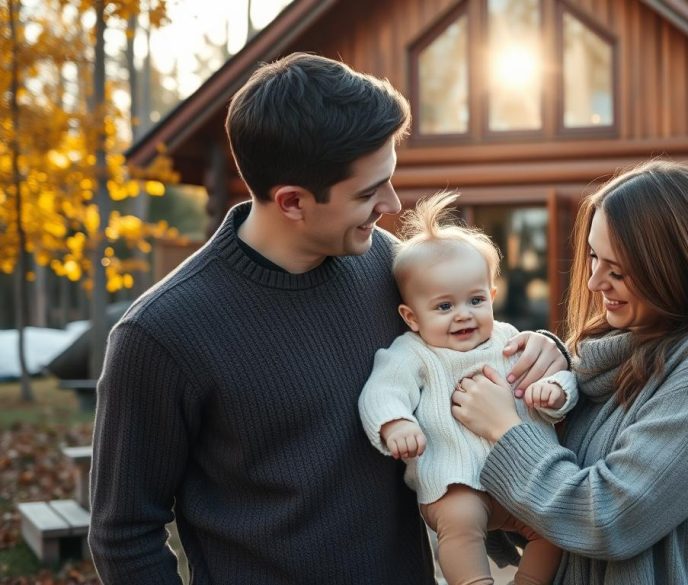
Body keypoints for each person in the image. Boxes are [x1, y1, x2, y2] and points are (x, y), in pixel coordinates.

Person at [88, 52, 568, 584]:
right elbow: (125, 535)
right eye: (368, 192)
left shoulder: (389, 268)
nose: (391, 203)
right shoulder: (161, 335)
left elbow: (467, 347)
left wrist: (545, 349)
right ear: (292, 201)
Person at [451, 160, 688, 584]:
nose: (593, 283)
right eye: (593, 256)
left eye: (619, 270)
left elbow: (611, 516)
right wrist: (549, 372)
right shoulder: (620, 346)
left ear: (675, 267)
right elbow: (548, 508)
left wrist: (508, 428)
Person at [358, 192, 576, 585]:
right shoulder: (413, 353)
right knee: (459, 524)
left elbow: (557, 376)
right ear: (411, 317)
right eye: (443, 307)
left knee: (555, 524)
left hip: (519, 478)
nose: (463, 315)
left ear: (492, 297)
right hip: (453, 479)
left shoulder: (510, 341)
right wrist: (395, 424)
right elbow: (382, 391)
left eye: (475, 300)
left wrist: (556, 392)